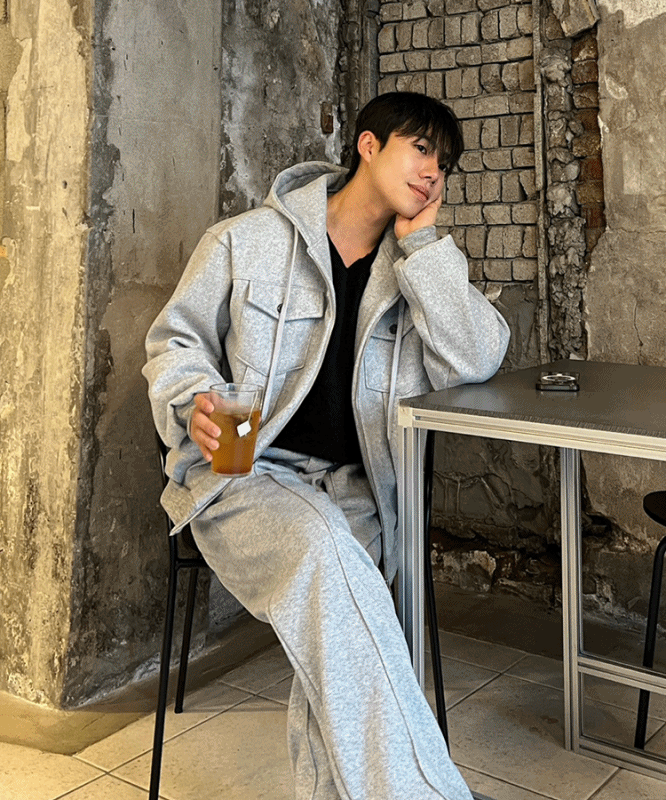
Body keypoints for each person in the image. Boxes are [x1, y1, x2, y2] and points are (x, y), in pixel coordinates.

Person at [143, 91, 510, 800]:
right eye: (421, 148)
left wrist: (424, 248)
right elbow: (174, 343)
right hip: (242, 477)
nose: (434, 172)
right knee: (329, 562)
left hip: (356, 492)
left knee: (342, 622)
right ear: (368, 145)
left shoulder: (415, 270)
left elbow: (477, 356)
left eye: (445, 164)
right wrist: (195, 402)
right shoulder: (244, 240)